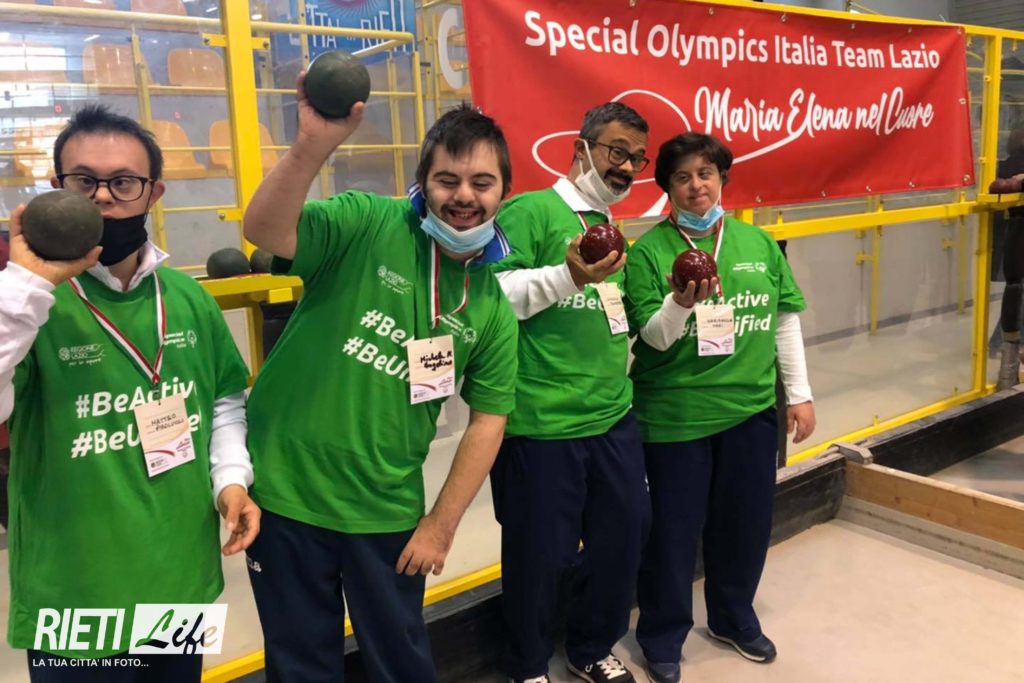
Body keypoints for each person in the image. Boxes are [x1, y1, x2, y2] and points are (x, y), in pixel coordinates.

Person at [241, 81, 519, 682]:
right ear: (423, 182)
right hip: (284, 496)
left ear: (504, 193)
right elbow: (265, 231)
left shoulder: (491, 307)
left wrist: (441, 525)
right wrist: (311, 146)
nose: (463, 196)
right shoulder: (367, 222)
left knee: (400, 664)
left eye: (481, 183)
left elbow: (489, 421)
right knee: (299, 664)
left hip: (387, 510)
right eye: (446, 180)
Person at [0, 104, 260, 682]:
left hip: (180, 579)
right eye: (83, 181)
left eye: (122, 182)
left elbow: (222, 400)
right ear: (56, 187)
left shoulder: (187, 298)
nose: (102, 197)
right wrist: (21, 287)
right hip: (74, 594)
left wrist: (231, 480)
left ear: (153, 193)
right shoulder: (27, 304)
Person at [623, 133, 815, 683]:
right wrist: (680, 304)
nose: (696, 186)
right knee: (672, 535)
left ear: (722, 179)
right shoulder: (648, 253)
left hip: (750, 412)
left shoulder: (758, 243)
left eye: (705, 173)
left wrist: (799, 393)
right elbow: (653, 339)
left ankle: (733, 618)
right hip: (675, 418)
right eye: (682, 177)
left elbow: (783, 320)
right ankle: (662, 636)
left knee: (745, 526)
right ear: (667, 188)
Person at [489, 102, 650, 683]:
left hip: (612, 416)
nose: (625, 166)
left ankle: (589, 647)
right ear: (579, 148)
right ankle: (527, 664)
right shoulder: (530, 211)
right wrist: (568, 276)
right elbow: (492, 295)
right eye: (616, 151)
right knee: (540, 555)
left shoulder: (611, 231)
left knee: (623, 537)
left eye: (636, 158)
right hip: (541, 422)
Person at [991, 127, 1024, 389]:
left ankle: (1006, 361)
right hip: (1016, 237)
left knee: (1015, 290)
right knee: (1016, 291)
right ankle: (1008, 362)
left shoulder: (1007, 164)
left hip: (1013, 238)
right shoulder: (1011, 165)